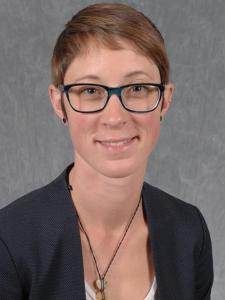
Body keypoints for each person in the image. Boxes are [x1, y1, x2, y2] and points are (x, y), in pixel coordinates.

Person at [0, 3, 213, 300]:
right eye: (90, 91)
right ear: (59, 103)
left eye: (138, 88)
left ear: (165, 100)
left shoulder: (189, 232)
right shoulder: (9, 240)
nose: (115, 117)